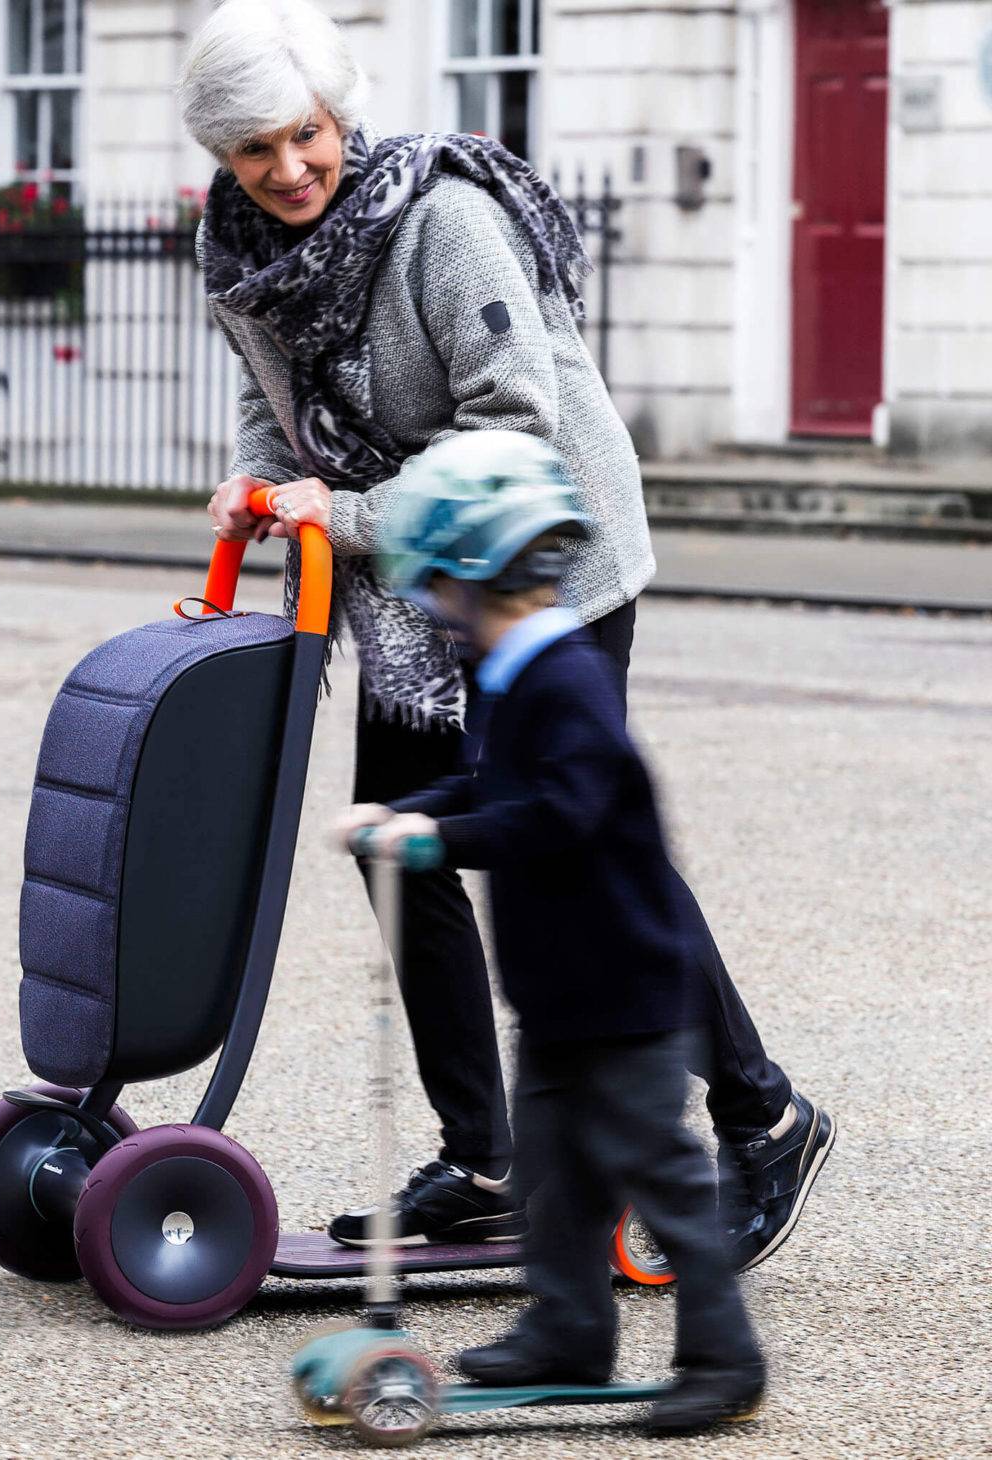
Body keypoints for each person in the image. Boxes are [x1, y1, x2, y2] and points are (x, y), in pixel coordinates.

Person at [179, 0, 834, 1269]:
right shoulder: (240, 246)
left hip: (548, 561)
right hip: (407, 587)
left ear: (339, 115)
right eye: (256, 148)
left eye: (305, 134)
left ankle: (763, 1113)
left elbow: (516, 430)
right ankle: (485, 1160)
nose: (289, 168)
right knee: (403, 850)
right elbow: (275, 405)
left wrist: (346, 509)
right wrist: (253, 483)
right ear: (224, 154)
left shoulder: (443, 223)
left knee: (582, 842)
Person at [342, 430, 767, 1434]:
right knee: (551, 1170)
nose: (437, 609)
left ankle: (723, 1353)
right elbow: (492, 784)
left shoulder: (567, 681)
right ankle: (569, 1325)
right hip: (559, 992)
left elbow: (558, 814)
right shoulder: (503, 675)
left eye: (443, 588)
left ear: (485, 576)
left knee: (655, 1168)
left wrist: (432, 839)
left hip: (626, 993)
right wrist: (406, 809)